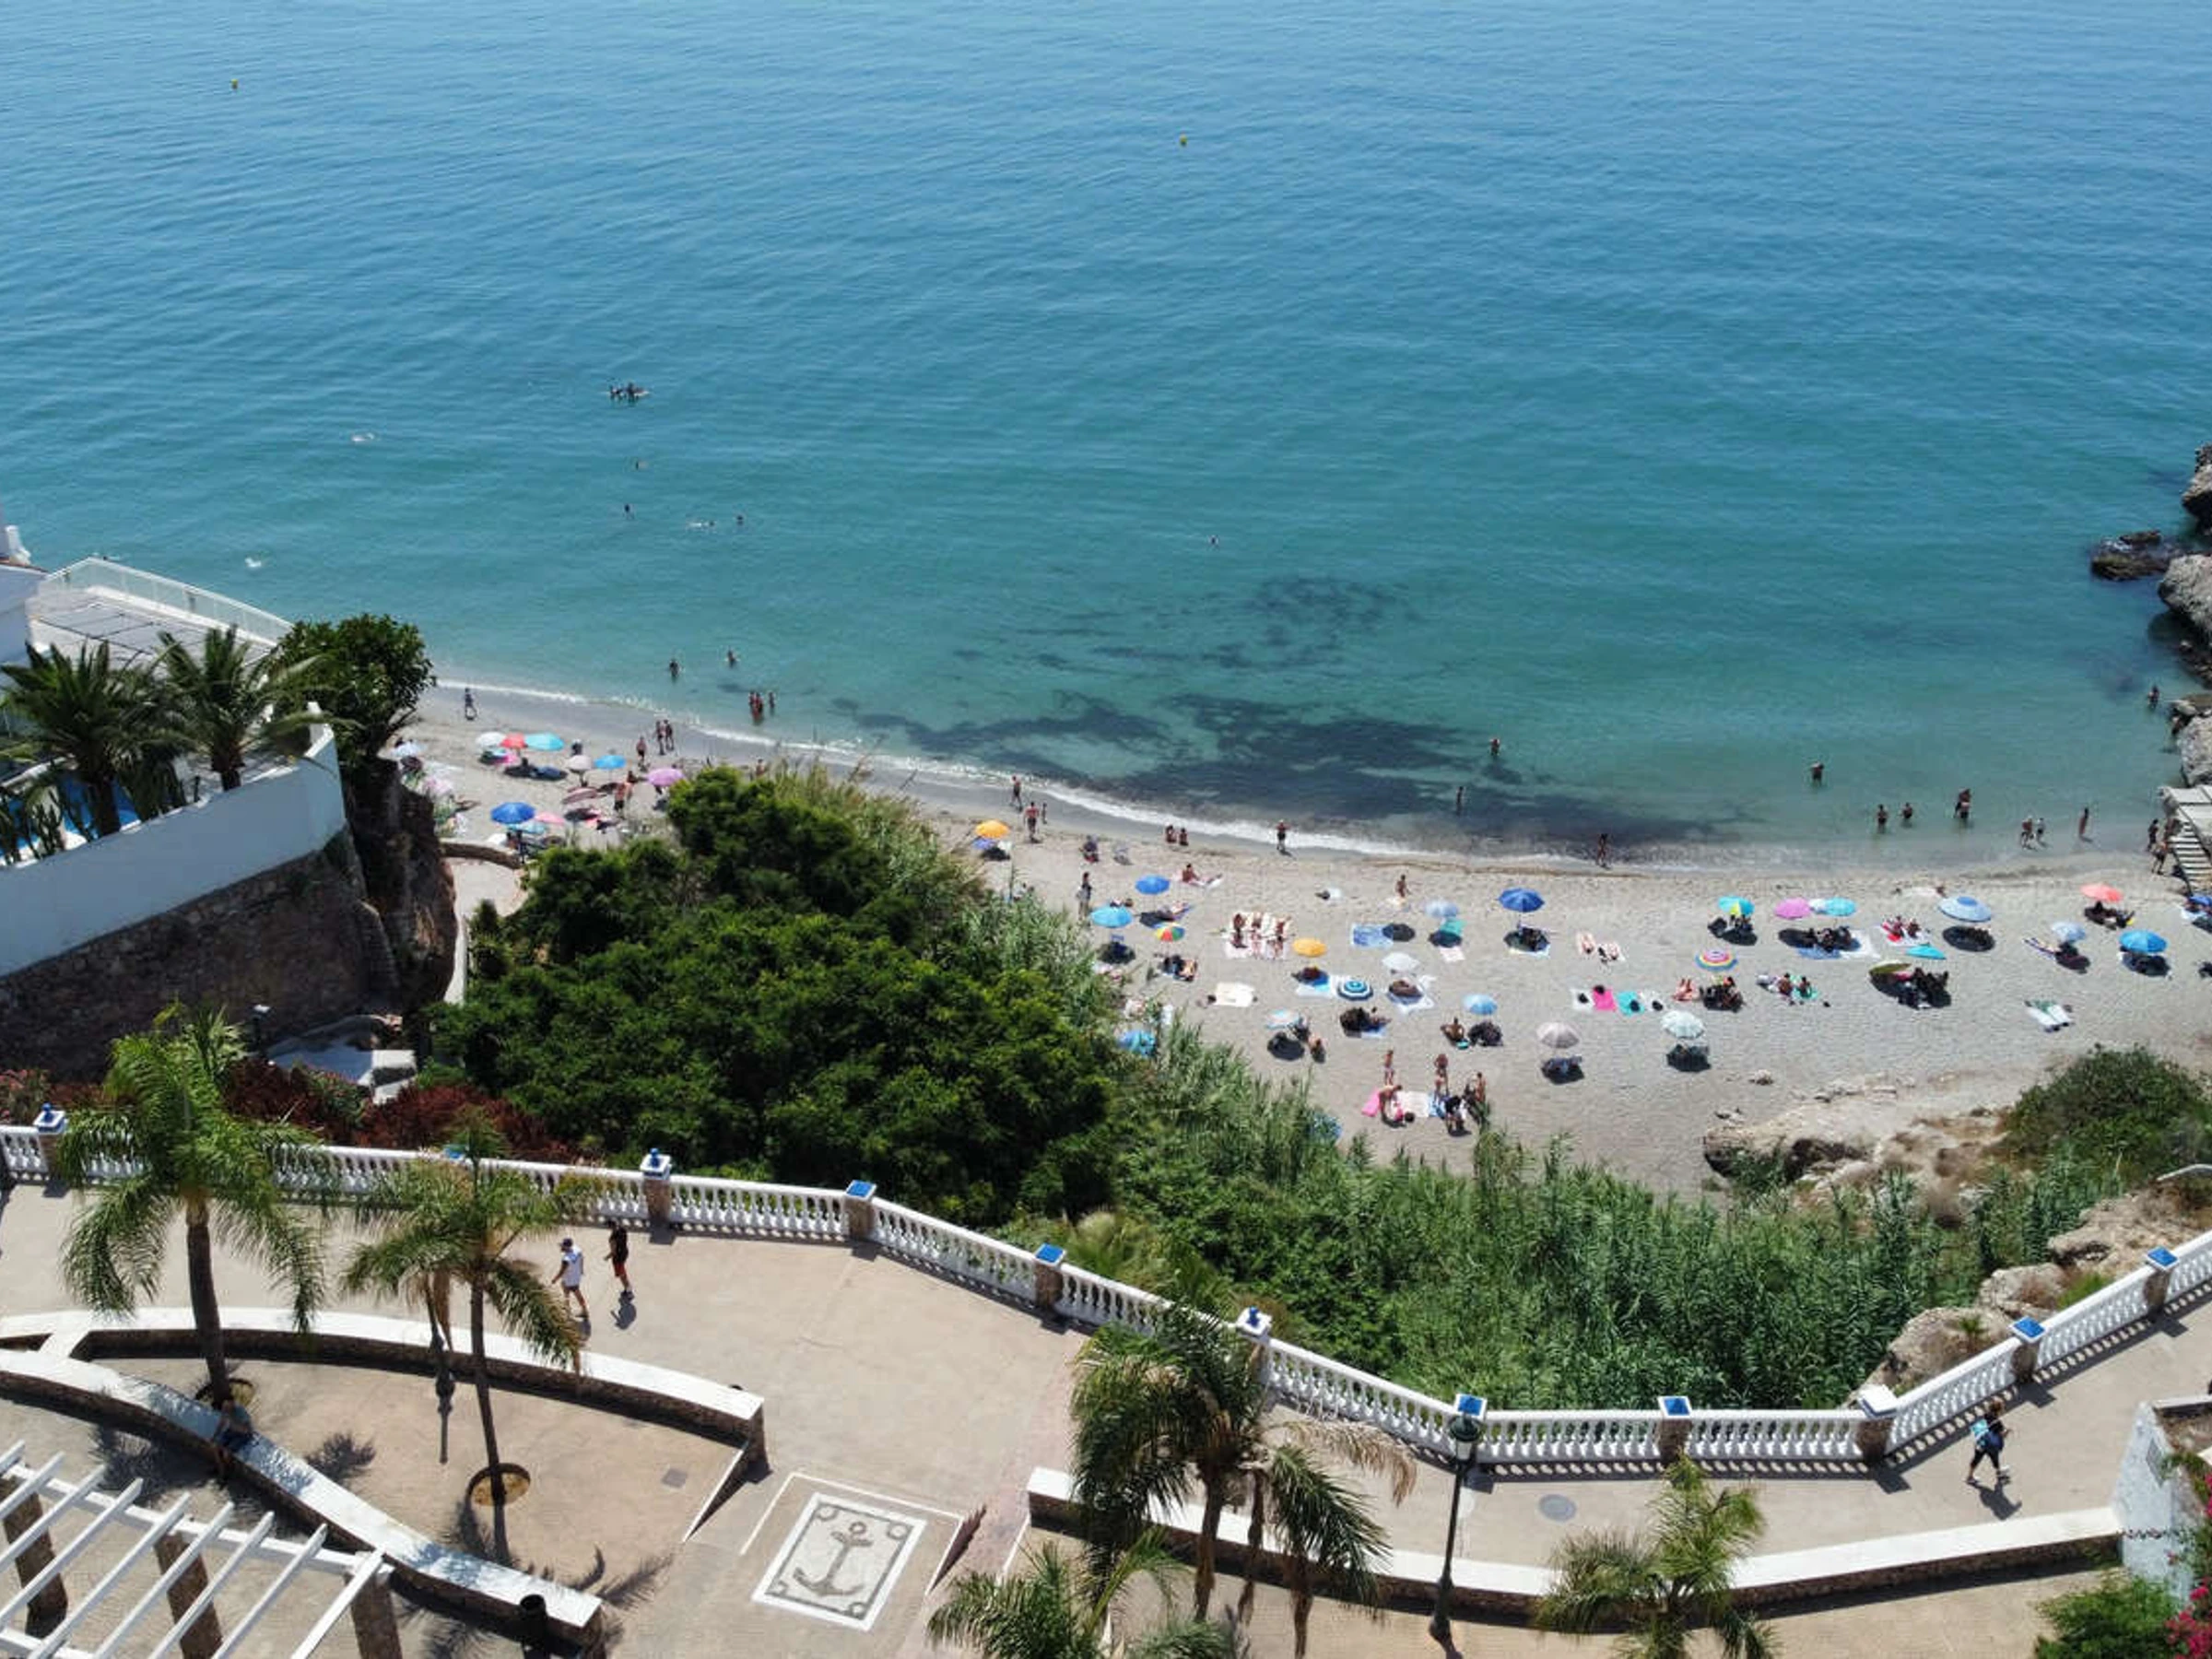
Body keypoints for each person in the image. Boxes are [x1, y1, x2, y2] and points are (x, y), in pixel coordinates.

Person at [210, 1389, 255, 1477]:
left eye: (227, 1405)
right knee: (215, 1446)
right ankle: (221, 1468)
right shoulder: (225, 1409)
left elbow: (248, 1430)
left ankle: (227, 1472)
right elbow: (222, 1423)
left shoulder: (240, 1411)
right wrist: (215, 1436)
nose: (225, 1408)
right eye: (224, 1406)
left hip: (243, 1435)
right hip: (231, 1431)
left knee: (226, 1453)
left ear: (232, 1403)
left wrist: (234, 1423)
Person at [1966, 1402, 2008, 1482]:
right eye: (2002, 1409)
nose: (2003, 1410)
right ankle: (1999, 1473)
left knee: (1976, 1459)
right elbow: (2002, 1436)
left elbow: (1979, 1426)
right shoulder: (1998, 1423)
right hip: (1991, 1445)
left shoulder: (1985, 1415)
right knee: (1994, 1457)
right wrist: (2007, 1431)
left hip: (1981, 1443)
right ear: (1998, 1411)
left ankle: (1969, 1476)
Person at [552, 1238, 589, 1322]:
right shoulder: (577, 1250)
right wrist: (581, 1269)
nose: (561, 1247)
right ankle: (584, 1311)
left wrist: (554, 1279)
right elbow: (582, 1258)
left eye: (562, 1246)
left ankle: (568, 1315)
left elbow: (561, 1272)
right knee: (578, 1295)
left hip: (568, 1280)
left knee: (567, 1296)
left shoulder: (566, 1259)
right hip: (576, 1278)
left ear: (567, 1247)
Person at [606, 1220, 632, 1299]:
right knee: (623, 1273)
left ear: (610, 1227)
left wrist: (606, 1257)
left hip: (618, 1258)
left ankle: (629, 1292)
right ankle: (628, 1289)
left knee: (622, 1275)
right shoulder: (623, 1230)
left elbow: (613, 1252)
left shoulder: (612, 1238)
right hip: (625, 1253)